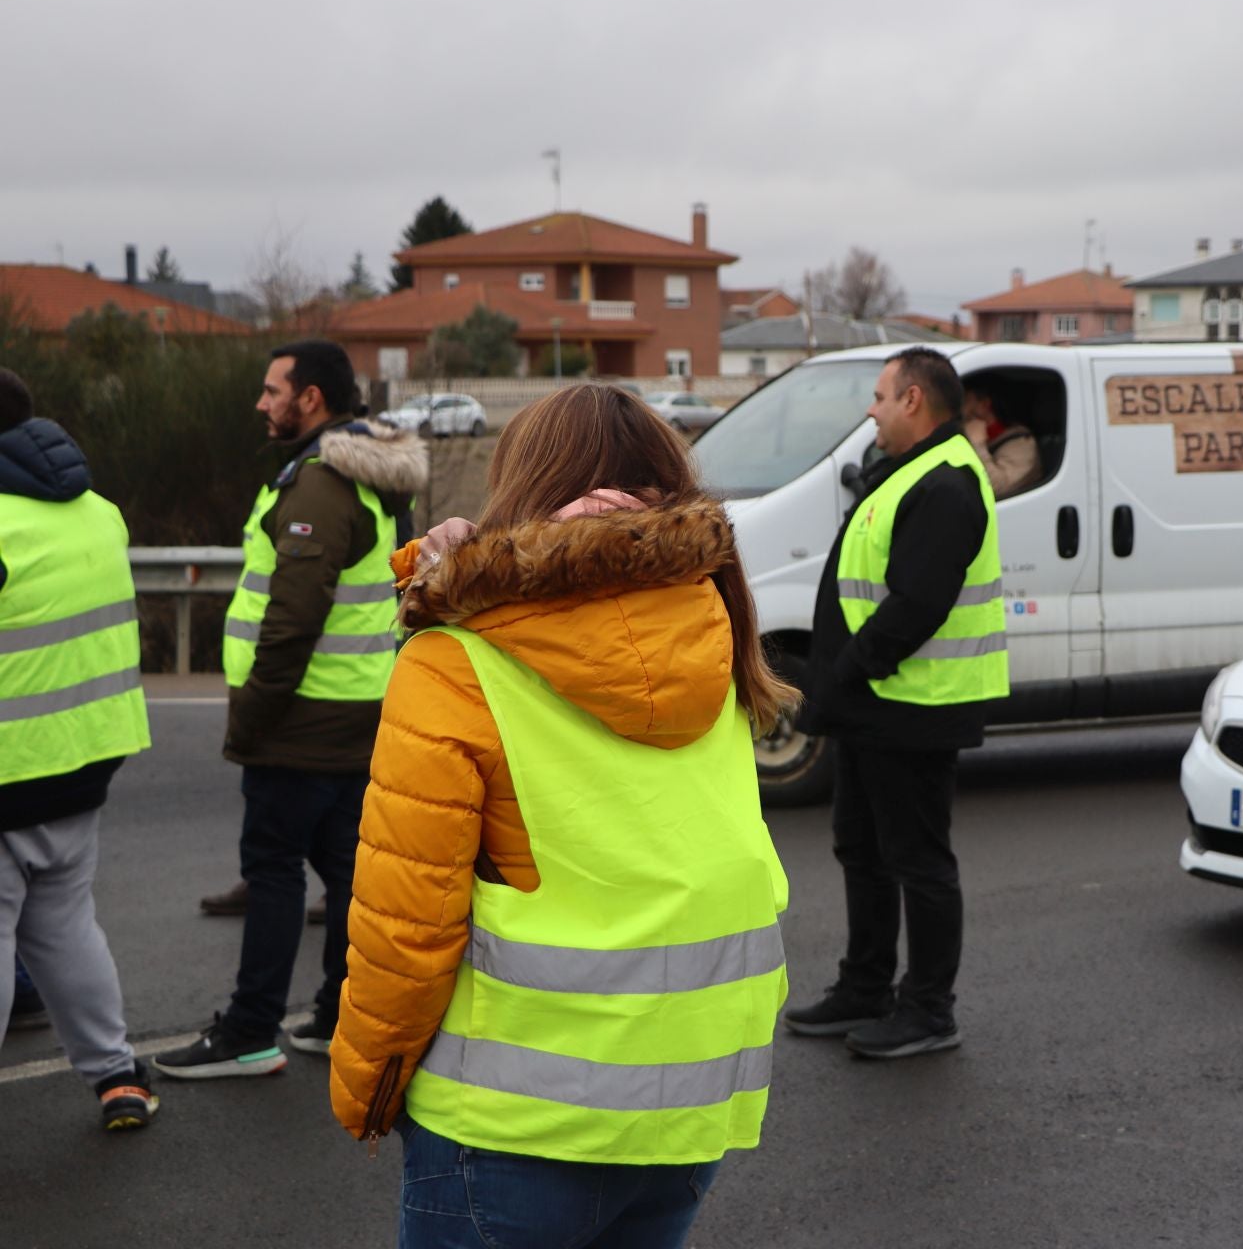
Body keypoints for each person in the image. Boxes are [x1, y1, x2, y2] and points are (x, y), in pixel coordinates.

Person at [329, 383, 792, 1248]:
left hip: (509, 1123)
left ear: (519, 485)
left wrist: (368, 1085)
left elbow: (407, 920)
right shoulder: (714, 626)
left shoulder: (455, 661)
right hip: (685, 1107)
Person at [156, 341, 425, 1079]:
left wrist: (252, 719)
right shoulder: (375, 478)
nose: (261, 402)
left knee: (274, 870)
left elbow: (293, 616)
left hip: (301, 718)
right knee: (344, 869)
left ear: (310, 399)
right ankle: (337, 1015)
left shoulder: (320, 486)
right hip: (358, 710)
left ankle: (249, 1032)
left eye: (272, 390)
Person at [784, 346, 1009, 1059]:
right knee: (863, 848)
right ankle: (865, 986)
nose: (872, 410)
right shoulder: (913, 468)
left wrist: (848, 672)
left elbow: (917, 605)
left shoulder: (946, 482)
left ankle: (929, 1010)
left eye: (880, 397)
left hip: (912, 705)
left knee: (918, 860)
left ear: (914, 399)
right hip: (878, 704)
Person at [0, 367, 158, 1130]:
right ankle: (117, 1074)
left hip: (7, 765)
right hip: (84, 759)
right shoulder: (97, 510)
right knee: (63, 926)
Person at [961, 384, 1042, 499]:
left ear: (984, 404)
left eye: (965, 400)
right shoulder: (986, 439)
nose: (959, 409)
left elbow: (997, 488)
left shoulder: (1022, 445)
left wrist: (977, 445)